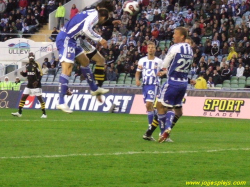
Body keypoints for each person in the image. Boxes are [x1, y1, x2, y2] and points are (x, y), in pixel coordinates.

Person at [55, 0, 115, 113]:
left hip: (74, 40)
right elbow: (86, 29)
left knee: (85, 61)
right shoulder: (94, 15)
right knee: (67, 69)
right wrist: (100, 39)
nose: (106, 19)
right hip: (67, 39)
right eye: (108, 15)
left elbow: (81, 30)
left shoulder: (90, 12)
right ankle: (61, 101)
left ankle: (94, 89)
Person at [157, 27, 193, 143]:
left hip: (172, 81)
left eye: (175, 34)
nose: (173, 35)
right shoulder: (190, 49)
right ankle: (167, 129)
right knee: (178, 110)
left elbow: (165, 64)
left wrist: (160, 69)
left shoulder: (175, 47)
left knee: (161, 106)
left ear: (182, 36)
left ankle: (165, 130)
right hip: (183, 83)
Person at [135, 42, 164, 136]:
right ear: (147, 49)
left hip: (154, 84)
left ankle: (150, 127)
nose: (151, 49)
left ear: (155, 49)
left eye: (153, 47)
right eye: (149, 47)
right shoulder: (142, 60)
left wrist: (161, 73)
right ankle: (157, 118)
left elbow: (165, 70)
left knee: (148, 104)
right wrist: (137, 80)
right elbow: (138, 72)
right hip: (145, 85)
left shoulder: (159, 61)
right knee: (149, 107)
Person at [11, 53, 47, 118]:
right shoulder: (27, 65)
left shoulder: (36, 64)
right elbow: (27, 74)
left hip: (36, 85)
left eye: (32, 56)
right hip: (29, 85)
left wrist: (37, 81)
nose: (31, 57)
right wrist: (23, 74)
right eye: (30, 56)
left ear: (34, 57)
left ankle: (44, 114)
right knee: (23, 97)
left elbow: (41, 73)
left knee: (40, 99)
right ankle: (19, 112)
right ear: (28, 57)